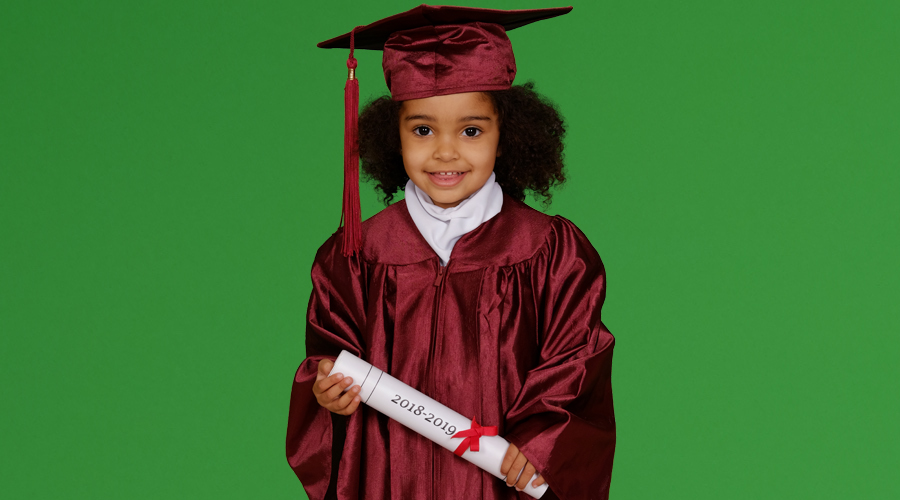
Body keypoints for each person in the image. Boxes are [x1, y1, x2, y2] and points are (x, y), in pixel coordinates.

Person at [286, 5, 616, 499]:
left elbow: (576, 364)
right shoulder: (356, 254)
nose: (445, 152)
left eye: (471, 130)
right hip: (390, 481)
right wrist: (325, 389)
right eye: (422, 130)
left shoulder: (551, 251)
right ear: (392, 137)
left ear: (506, 135)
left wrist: (539, 445)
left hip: (498, 483)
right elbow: (326, 354)